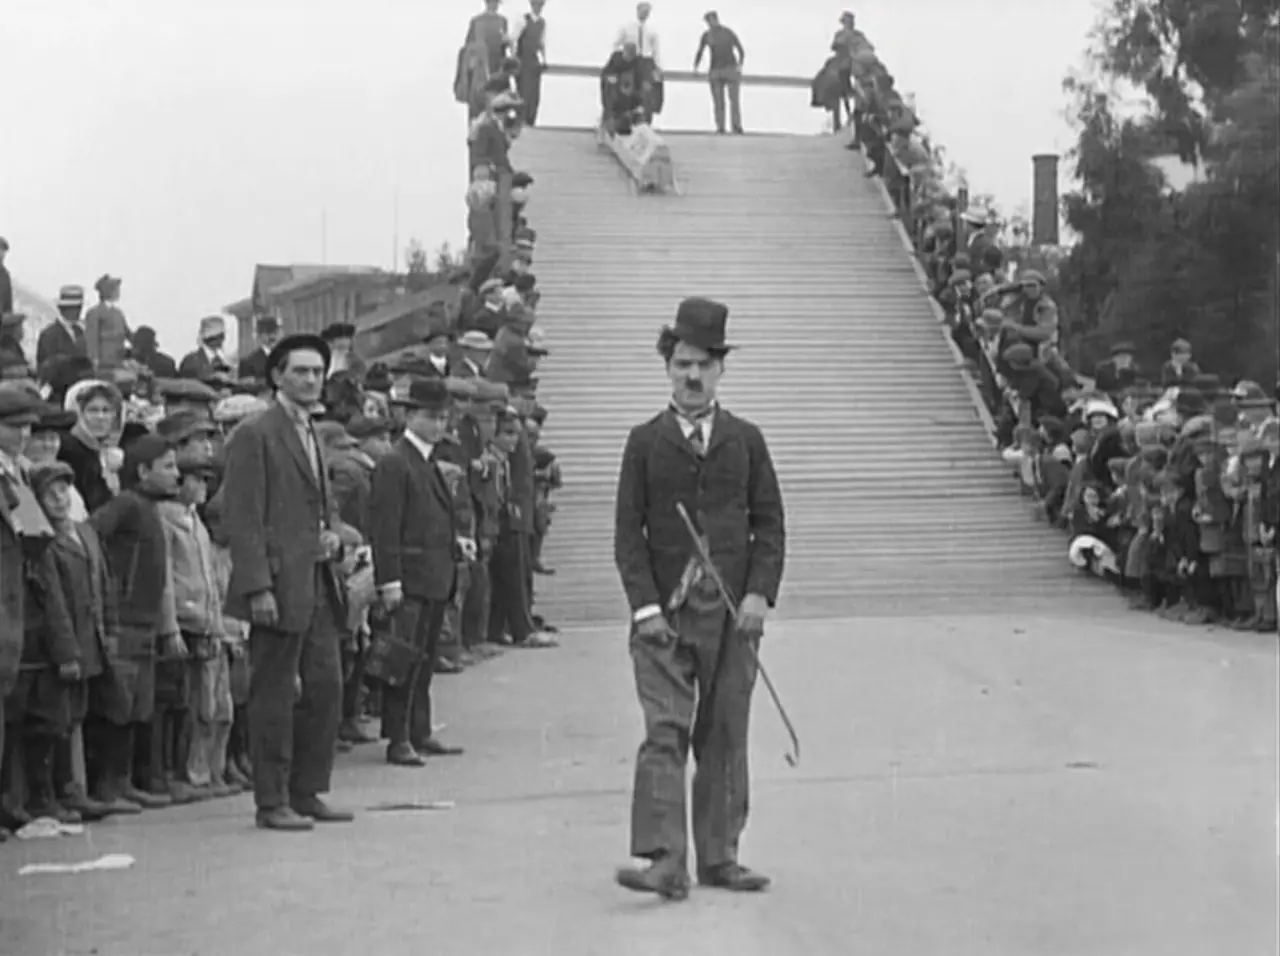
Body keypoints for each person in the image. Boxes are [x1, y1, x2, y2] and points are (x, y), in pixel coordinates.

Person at [612, 297, 785, 901]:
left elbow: (770, 526)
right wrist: (646, 609)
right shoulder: (643, 443)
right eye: (682, 363)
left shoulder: (746, 441)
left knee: (725, 734)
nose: (692, 376)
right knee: (665, 733)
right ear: (668, 366)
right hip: (664, 620)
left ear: (720, 371)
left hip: (734, 619)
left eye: (704, 365)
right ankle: (664, 858)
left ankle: (720, 857)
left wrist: (760, 595)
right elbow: (626, 537)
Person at [220, 332, 352, 831]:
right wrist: (256, 587)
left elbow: (320, 503)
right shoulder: (256, 433)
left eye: (318, 372)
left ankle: (307, 789)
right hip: (276, 585)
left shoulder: (311, 430)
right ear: (277, 376)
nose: (311, 380)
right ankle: (271, 800)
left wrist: (333, 537)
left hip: (316, 580)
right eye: (301, 371)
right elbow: (243, 516)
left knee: (325, 685)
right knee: (274, 693)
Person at [367, 377, 468, 766]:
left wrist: (453, 543)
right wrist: (388, 581)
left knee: (423, 659)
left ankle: (419, 730)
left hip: (433, 575)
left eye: (443, 417)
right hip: (409, 579)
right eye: (431, 416)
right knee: (402, 659)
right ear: (409, 416)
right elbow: (385, 528)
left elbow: (426, 517)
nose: (439, 424)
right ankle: (398, 738)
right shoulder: (396, 462)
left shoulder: (424, 461)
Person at [693, 11, 745, 135]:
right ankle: (723, 126)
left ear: (715, 19)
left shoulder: (724, 33)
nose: (709, 24)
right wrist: (695, 66)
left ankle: (734, 126)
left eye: (710, 21)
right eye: (708, 22)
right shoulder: (711, 34)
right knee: (720, 101)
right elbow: (700, 51)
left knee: (731, 100)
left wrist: (739, 65)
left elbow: (740, 50)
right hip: (718, 70)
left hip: (728, 69)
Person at [83, 275, 131, 374]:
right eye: (115, 289)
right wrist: (94, 359)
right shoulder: (95, 313)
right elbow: (92, 338)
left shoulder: (118, 313)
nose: (118, 292)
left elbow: (127, 333)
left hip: (118, 360)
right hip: (103, 363)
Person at [36, 285, 89, 373]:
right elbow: (46, 368)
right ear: (63, 309)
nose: (78, 312)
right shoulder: (49, 335)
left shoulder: (80, 332)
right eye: (74, 307)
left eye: (79, 307)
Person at [512, 0, 547, 126]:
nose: (538, 7)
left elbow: (542, 43)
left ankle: (531, 121)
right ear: (531, 5)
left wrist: (544, 59)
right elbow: (514, 40)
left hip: (534, 62)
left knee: (534, 95)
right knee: (523, 92)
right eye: (536, 4)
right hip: (523, 61)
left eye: (540, 5)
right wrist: (514, 58)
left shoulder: (542, 23)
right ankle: (522, 121)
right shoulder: (524, 20)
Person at [237, 315, 281, 383]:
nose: (272, 336)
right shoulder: (248, 362)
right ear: (260, 335)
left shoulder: (288, 358)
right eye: (268, 333)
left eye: (275, 332)